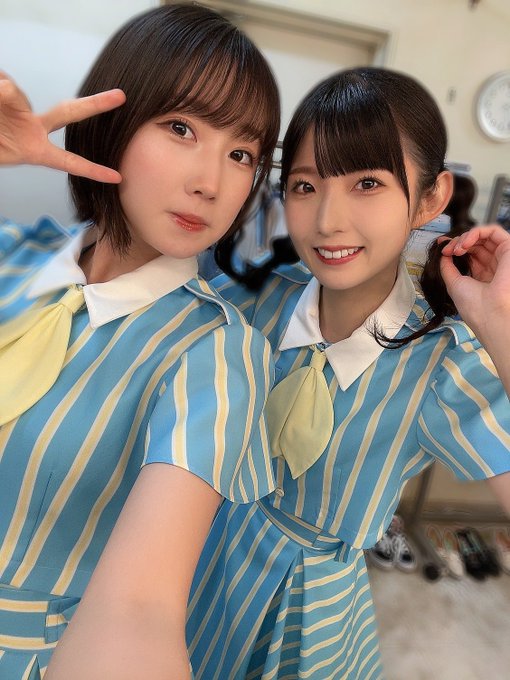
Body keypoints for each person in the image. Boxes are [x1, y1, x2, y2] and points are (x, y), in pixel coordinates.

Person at [186, 68, 510, 680]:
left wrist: (501, 329)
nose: (328, 220)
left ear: (430, 198)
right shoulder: (258, 300)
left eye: (367, 183)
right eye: (305, 186)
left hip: (306, 608)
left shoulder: (441, 362)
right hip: (202, 547)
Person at [0, 4, 280, 679]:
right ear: (114, 124)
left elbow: (140, 611)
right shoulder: (14, 255)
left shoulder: (215, 352)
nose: (210, 182)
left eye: (241, 154)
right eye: (182, 128)